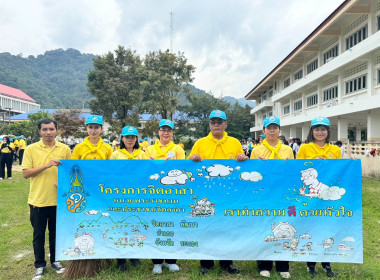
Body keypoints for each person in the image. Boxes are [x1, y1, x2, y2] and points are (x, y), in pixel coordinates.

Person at [188, 109, 248, 275]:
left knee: (227, 225)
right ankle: (206, 263)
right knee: (205, 225)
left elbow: (241, 165)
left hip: (228, 192)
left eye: (219, 122)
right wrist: (192, 160)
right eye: (213, 122)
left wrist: (243, 159)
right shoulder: (200, 143)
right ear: (210, 124)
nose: (216, 125)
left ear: (225, 124)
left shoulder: (235, 142)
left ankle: (226, 262)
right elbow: (189, 168)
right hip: (205, 191)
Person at [22, 119, 71, 280]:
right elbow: (26, 173)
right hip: (38, 200)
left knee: (56, 234)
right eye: (45, 129)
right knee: (38, 235)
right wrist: (47, 165)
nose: (48, 132)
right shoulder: (30, 149)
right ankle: (39, 265)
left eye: (51, 129)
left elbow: (70, 172)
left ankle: (55, 261)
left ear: (57, 130)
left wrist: (63, 182)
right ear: (39, 132)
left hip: (59, 201)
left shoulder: (64, 149)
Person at [66, 115, 113, 279]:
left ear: (101, 129)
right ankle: (83, 257)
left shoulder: (107, 148)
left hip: (101, 191)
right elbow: (72, 168)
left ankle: (102, 256)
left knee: (100, 220)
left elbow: (110, 169)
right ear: (86, 129)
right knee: (84, 220)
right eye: (90, 127)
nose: (93, 130)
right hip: (84, 192)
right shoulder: (79, 148)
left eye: (96, 127)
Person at [296, 116, 341, 278]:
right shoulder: (304, 149)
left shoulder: (335, 150)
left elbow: (340, 172)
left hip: (326, 199)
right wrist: (312, 162)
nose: (320, 132)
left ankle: (327, 264)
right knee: (311, 229)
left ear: (328, 131)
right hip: (311, 200)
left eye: (323, 129)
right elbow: (297, 169)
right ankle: (310, 265)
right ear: (312, 131)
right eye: (316, 129)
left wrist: (353, 163)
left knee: (327, 229)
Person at [250, 116, 293, 279]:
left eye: (275, 127)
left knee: (285, 226)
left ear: (279, 130)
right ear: (264, 131)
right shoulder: (257, 150)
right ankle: (264, 264)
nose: (272, 130)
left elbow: (291, 173)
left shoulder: (287, 150)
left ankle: (283, 265)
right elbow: (253, 175)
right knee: (264, 227)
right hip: (263, 193)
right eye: (269, 128)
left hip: (282, 193)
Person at [143, 119, 184, 274]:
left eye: (169, 130)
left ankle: (171, 260)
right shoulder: (149, 149)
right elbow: (144, 170)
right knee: (155, 226)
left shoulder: (178, 149)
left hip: (173, 194)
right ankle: (157, 262)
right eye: (163, 130)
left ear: (172, 133)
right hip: (154, 194)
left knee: (172, 226)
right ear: (158, 132)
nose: (165, 133)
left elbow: (182, 169)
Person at [111, 126, 144, 270]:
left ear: (136, 139)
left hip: (137, 194)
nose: (129, 140)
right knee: (120, 226)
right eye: (127, 137)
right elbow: (110, 173)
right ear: (122, 139)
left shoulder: (142, 154)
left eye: (132, 137)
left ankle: (134, 256)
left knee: (135, 225)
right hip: (120, 195)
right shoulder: (116, 154)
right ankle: (120, 260)